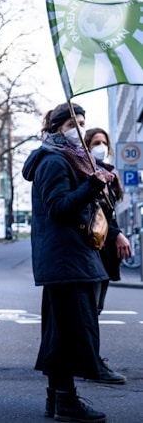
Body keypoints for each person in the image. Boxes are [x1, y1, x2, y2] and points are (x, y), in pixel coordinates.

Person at [22, 102, 108, 423]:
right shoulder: (54, 161)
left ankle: (58, 400)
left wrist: (94, 184)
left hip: (67, 259)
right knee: (70, 334)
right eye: (74, 123)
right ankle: (66, 402)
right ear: (58, 126)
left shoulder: (68, 159)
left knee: (62, 334)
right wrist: (91, 186)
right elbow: (58, 208)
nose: (81, 129)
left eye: (84, 122)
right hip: (65, 259)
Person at [84, 127, 130, 384]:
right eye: (95, 142)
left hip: (104, 250)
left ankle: (88, 359)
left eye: (103, 142)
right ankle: (91, 362)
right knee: (89, 310)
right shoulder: (88, 173)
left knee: (95, 309)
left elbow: (108, 215)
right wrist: (117, 234)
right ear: (87, 146)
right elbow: (94, 215)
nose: (100, 146)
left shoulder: (110, 175)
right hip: (94, 249)